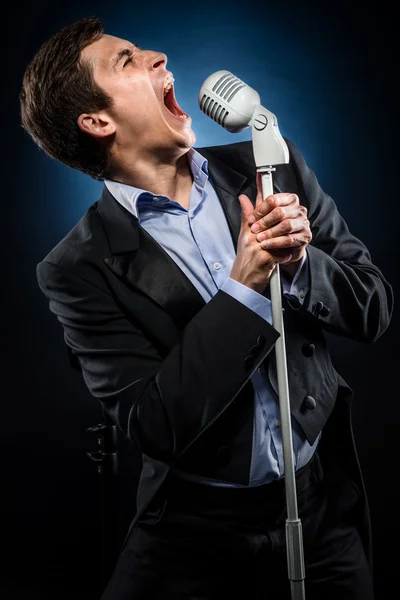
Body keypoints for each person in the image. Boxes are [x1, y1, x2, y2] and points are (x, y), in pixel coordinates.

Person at [20, 16, 393, 600]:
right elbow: (155, 424)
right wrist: (245, 285)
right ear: (97, 121)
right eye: (127, 60)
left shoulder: (272, 164)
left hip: (323, 511)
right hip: (193, 535)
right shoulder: (75, 270)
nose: (158, 55)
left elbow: (373, 308)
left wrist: (298, 264)